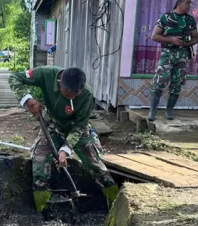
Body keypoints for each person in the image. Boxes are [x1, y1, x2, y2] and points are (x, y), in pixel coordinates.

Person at [9, 66, 119, 214]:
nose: (71, 98)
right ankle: (43, 209)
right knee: (39, 159)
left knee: (94, 163)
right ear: (60, 83)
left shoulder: (86, 94)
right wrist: (27, 99)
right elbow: (14, 78)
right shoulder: (46, 74)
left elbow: (80, 126)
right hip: (52, 125)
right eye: (68, 95)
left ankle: (115, 207)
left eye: (75, 95)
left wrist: (65, 150)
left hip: (77, 129)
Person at [147, 0, 198, 121]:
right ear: (179, 2)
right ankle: (152, 111)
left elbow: (196, 38)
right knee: (160, 81)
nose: (189, 5)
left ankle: (169, 111)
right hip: (167, 54)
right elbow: (154, 36)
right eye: (187, 2)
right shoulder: (166, 17)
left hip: (182, 55)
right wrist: (171, 40)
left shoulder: (190, 19)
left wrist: (187, 43)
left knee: (177, 83)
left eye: (190, 3)